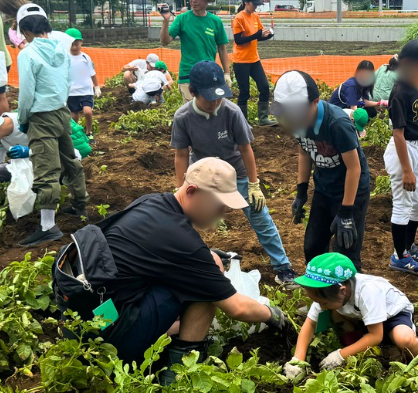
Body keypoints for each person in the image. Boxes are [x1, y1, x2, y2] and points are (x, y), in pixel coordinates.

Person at [92, 157, 294, 375]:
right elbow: (237, 308)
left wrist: (206, 256)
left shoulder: (152, 203)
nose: (222, 214)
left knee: (204, 268)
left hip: (95, 319)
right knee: (206, 285)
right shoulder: (181, 240)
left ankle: (163, 340)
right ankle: (176, 374)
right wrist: (273, 315)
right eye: (218, 205)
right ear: (191, 191)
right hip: (110, 341)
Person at [171, 61, 298, 286]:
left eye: (218, 97)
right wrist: (182, 186)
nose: (215, 102)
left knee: (261, 217)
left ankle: (283, 268)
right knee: (185, 220)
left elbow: (245, 149)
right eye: (209, 98)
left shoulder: (231, 111)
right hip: (202, 177)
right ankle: (186, 267)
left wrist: (253, 184)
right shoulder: (183, 117)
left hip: (235, 173)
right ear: (193, 92)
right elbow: (181, 155)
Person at [7, 4, 89, 246]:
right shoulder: (62, 49)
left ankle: (47, 226)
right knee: (69, 160)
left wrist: (23, 119)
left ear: (24, 30)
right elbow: (67, 82)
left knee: (46, 169)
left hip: (41, 117)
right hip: (62, 112)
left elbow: (26, 93)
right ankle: (80, 206)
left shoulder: (28, 54)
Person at [272, 69, 371, 270]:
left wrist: (346, 212)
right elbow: (304, 152)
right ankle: (322, 287)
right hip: (324, 189)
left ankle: (350, 287)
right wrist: (301, 191)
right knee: (313, 248)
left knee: (346, 253)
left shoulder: (337, 124)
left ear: (315, 102)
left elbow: (354, 168)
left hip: (351, 191)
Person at [284, 252, 418, 382]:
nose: (322, 307)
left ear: (342, 291)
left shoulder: (368, 291)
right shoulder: (327, 293)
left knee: (405, 340)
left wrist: (340, 355)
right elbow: (310, 324)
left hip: (393, 316)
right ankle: (358, 349)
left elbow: (376, 335)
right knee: (333, 312)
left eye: (324, 303)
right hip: (362, 318)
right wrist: (298, 359)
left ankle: (413, 366)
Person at [385, 39, 418, 276]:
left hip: (414, 148)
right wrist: (407, 170)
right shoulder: (399, 92)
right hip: (402, 151)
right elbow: (398, 134)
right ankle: (399, 257)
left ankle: (408, 247)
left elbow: (415, 121)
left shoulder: (413, 86)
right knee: (403, 204)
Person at [160, 0, 231, 101]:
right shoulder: (182, 19)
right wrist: (166, 21)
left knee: (210, 109)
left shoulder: (215, 21)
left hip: (209, 75)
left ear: (207, 0)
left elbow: (222, 49)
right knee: (192, 110)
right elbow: (165, 41)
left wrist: (227, 73)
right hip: (188, 76)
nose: (193, 0)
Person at [231, 0, 275, 125]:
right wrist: (257, 35)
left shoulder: (255, 17)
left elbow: (257, 37)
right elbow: (238, 40)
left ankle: (263, 118)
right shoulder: (239, 18)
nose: (256, 7)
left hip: (254, 59)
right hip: (241, 61)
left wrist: (267, 35)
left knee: (264, 87)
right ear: (246, 2)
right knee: (244, 92)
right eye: (254, 4)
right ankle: (243, 122)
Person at [67, 36, 98, 136]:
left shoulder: (85, 57)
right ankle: (76, 134)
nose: (74, 47)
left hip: (86, 90)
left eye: (76, 44)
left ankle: (89, 132)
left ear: (81, 43)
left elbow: (92, 73)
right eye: (72, 44)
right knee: (74, 114)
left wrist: (96, 86)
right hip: (71, 91)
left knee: (87, 111)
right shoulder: (65, 57)